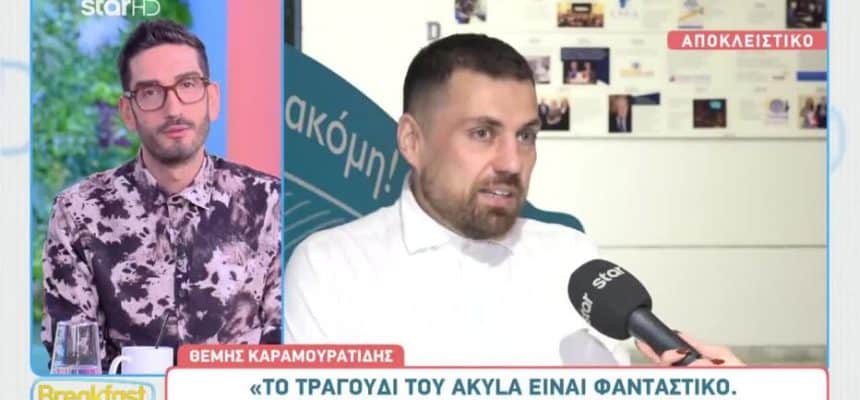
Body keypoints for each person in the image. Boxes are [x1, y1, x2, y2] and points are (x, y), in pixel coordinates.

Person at [284, 33, 742, 367]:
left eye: (526, 136)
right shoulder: (330, 267)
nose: (511, 161)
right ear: (412, 141)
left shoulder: (572, 258)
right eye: (482, 133)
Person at [41, 19, 282, 372]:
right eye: (151, 92)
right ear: (128, 112)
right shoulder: (79, 212)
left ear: (212, 99)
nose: (173, 109)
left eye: (188, 85)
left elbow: (287, 359)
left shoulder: (269, 202)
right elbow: (75, 369)